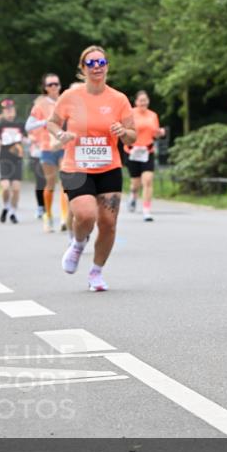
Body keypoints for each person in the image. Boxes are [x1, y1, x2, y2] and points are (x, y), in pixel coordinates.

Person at [47, 45, 136, 292]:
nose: (97, 67)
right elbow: (52, 123)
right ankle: (77, 244)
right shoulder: (70, 97)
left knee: (108, 222)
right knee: (86, 215)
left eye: (101, 62)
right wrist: (61, 134)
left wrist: (123, 132)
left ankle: (96, 273)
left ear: (107, 65)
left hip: (108, 168)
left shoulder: (118, 99)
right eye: (91, 63)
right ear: (82, 68)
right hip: (77, 166)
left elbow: (132, 136)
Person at [26, 74, 67, 232]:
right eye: (50, 85)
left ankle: (64, 217)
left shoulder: (66, 102)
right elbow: (29, 126)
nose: (54, 87)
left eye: (56, 84)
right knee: (50, 183)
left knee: (65, 182)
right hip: (47, 147)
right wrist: (46, 122)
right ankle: (48, 216)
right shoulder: (40, 105)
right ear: (45, 88)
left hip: (64, 147)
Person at [126, 90, 165, 221]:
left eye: (145, 100)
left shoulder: (153, 115)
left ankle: (146, 210)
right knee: (135, 183)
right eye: (141, 100)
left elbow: (155, 133)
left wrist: (159, 133)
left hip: (147, 151)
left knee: (147, 180)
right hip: (132, 151)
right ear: (136, 102)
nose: (143, 102)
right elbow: (125, 132)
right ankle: (133, 195)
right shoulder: (130, 113)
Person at [0, 99, 25, 224]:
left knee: (16, 188)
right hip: (4, 158)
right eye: (7, 110)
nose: (9, 112)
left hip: (17, 158)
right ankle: (6, 206)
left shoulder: (20, 124)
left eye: (11, 109)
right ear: (3, 112)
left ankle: (12, 211)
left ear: (15, 110)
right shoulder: (0, 125)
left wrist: (30, 139)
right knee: (6, 187)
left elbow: (27, 138)